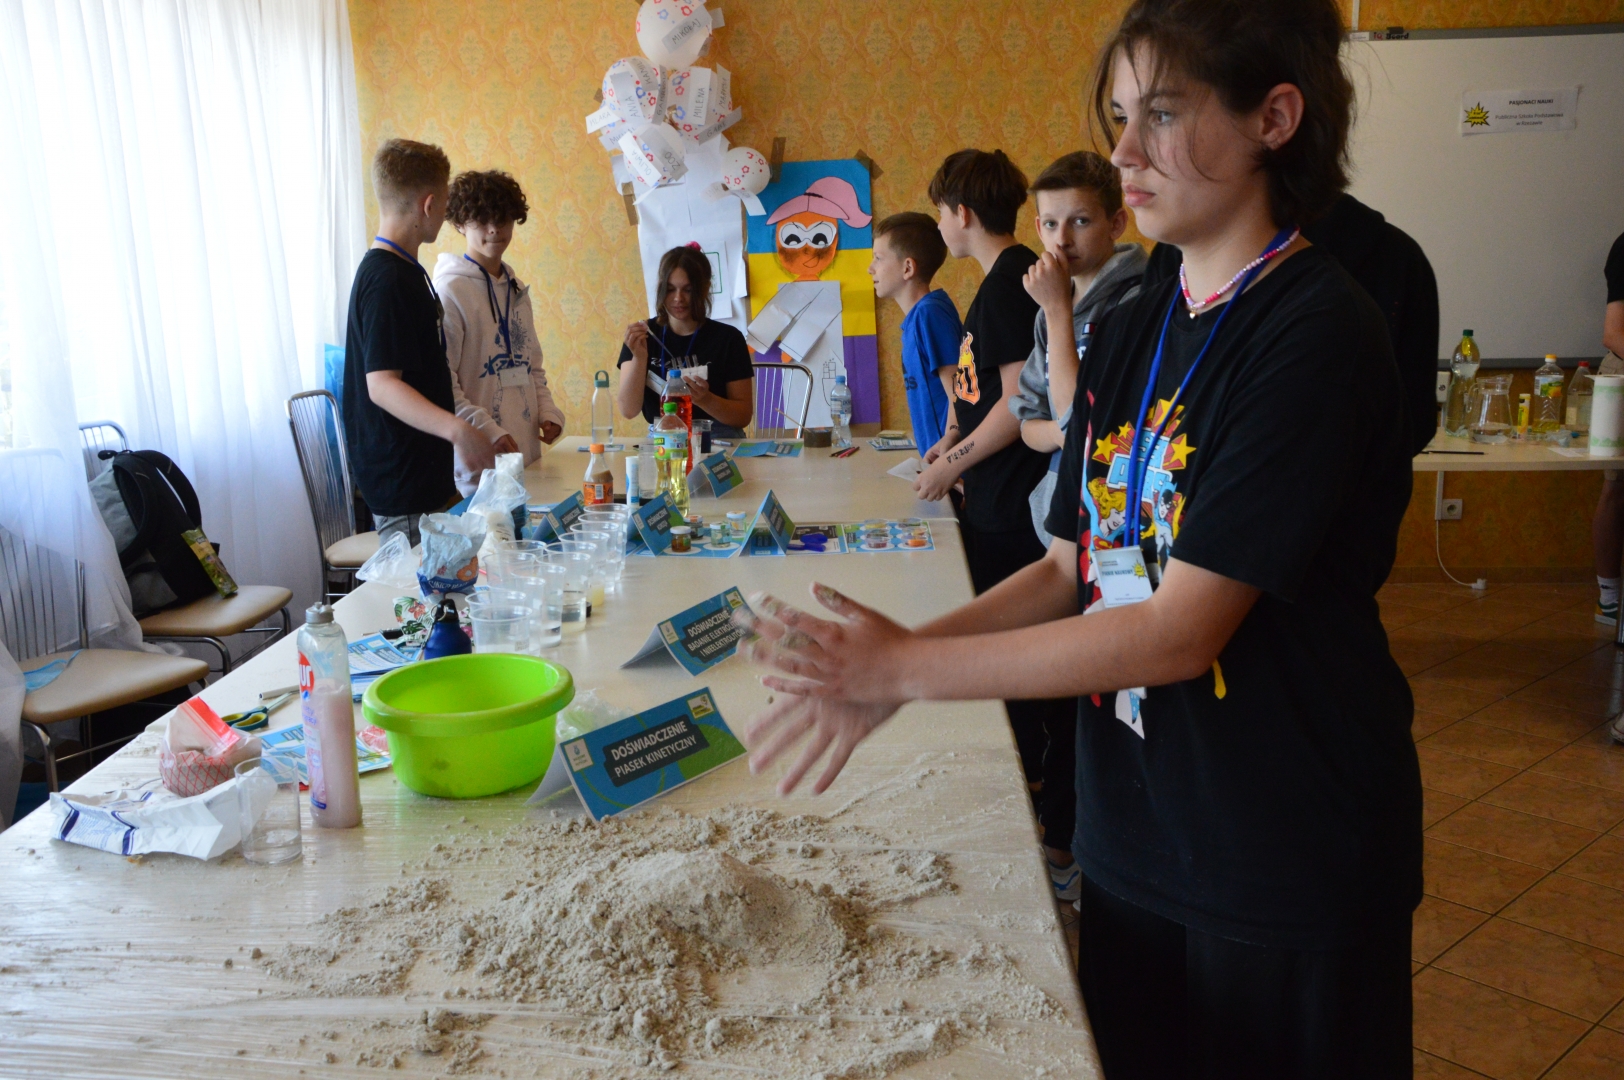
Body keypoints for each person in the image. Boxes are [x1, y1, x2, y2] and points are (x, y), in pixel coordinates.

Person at [734, 1, 1419, 1075]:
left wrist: (907, 670)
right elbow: (1067, 570)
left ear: (1274, 119)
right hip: (1135, 833)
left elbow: (1179, 631)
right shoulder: (1135, 321)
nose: (1125, 152)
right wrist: (892, 662)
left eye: (1163, 114)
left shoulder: (1316, 328)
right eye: (1118, 117)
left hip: (1278, 846)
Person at [1142, 191, 1439, 456]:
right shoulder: (1178, 258)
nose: (1127, 157)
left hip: (1184, 481)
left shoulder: (1393, 261)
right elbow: (1414, 424)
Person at [343, 139, 494, 548]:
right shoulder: (388, 281)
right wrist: (458, 430)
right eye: (444, 203)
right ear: (429, 205)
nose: (444, 213)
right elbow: (382, 385)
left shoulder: (402, 271)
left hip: (421, 476)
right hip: (404, 484)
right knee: (419, 589)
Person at [1010, 150, 1148, 546]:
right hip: (1059, 514)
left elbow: (1085, 423)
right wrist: (1059, 434)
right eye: (1051, 224)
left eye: (1081, 221)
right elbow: (1028, 421)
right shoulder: (1050, 310)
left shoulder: (1136, 301)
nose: (1062, 239)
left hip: (1118, 518)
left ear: (1116, 223)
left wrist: (1057, 310)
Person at [434, 169, 566, 497]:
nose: (494, 229)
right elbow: (443, 385)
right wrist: (488, 430)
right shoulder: (450, 291)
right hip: (479, 468)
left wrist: (548, 412)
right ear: (460, 224)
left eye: (503, 218)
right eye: (482, 220)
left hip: (527, 459)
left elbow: (531, 367)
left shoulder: (516, 289)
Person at [616, 246, 754, 439]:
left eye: (688, 290)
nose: (678, 298)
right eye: (670, 289)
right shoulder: (643, 335)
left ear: (704, 289)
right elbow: (628, 410)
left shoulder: (729, 338)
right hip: (663, 436)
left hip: (718, 436)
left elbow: (743, 416)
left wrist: (706, 400)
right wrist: (639, 358)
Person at [868, 212, 960, 457]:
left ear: (907, 267)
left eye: (878, 258)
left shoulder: (929, 314)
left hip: (948, 461)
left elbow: (959, 392)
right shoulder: (919, 317)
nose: (870, 269)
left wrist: (949, 458)